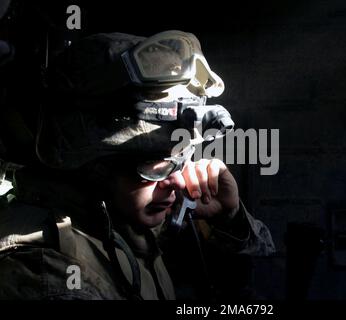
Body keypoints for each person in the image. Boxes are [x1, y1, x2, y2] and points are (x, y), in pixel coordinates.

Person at [0, 31, 275, 300]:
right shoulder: (47, 277)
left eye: (183, 157)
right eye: (158, 165)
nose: (178, 182)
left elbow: (254, 268)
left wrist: (228, 217)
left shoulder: (118, 222)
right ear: (90, 167)